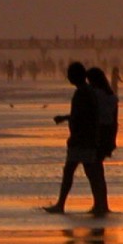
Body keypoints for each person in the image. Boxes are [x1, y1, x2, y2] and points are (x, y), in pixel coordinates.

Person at [47, 61, 108, 215]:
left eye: (69, 75)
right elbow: (84, 115)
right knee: (90, 173)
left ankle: (61, 205)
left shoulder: (82, 93)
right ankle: (99, 205)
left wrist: (73, 129)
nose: (68, 77)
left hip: (81, 140)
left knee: (71, 172)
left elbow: (82, 116)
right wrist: (65, 118)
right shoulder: (88, 91)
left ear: (75, 76)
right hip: (87, 139)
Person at [87, 66, 120, 161]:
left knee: (92, 162)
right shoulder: (112, 97)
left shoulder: (94, 95)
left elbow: (89, 115)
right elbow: (115, 121)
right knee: (97, 162)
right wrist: (113, 138)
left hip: (96, 132)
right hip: (107, 132)